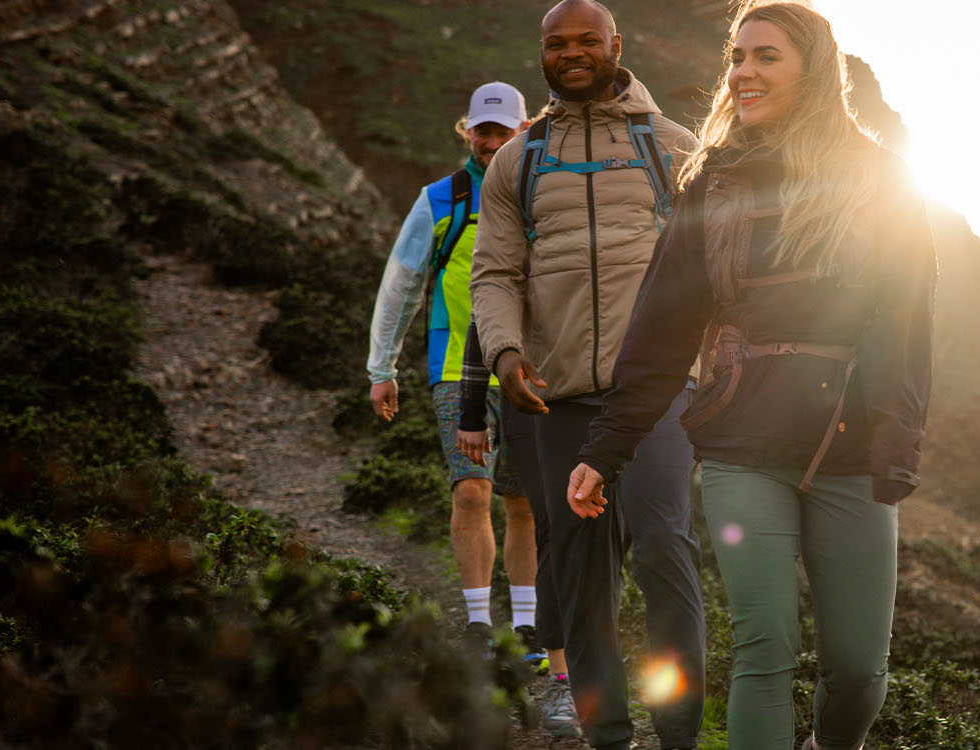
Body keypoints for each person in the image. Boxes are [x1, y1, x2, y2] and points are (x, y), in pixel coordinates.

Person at [566, 3, 939, 747]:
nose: (743, 73)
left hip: (850, 451)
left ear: (814, 69)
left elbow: (908, 323)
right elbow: (661, 329)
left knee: (859, 670)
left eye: (765, 56)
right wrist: (605, 448)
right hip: (741, 444)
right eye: (736, 59)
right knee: (765, 648)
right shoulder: (714, 183)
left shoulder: (882, 180)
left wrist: (899, 438)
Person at [468, 0, 706, 745]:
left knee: (666, 544)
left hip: (661, 393)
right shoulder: (519, 160)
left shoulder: (674, 149)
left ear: (615, 46)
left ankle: (678, 732)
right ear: (542, 53)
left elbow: (716, 271)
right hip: (558, 395)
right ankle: (609, 734)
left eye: (586, 42)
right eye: (556, 44)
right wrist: (505, 355)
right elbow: (495, 273)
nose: (572, 54)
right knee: (578, 573)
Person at [366, 82, 545, 641]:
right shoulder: (438, 199)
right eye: (482, 130)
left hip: (530, 371)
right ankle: (475, 625)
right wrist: (382, 370)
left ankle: (524, 625)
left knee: (525, 502)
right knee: (471, 490)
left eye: (502, 131)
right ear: (467, 131)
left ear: (523, 132)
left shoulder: (544, 195)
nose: (491, 141)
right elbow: (401, 285)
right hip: (453, 370)